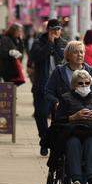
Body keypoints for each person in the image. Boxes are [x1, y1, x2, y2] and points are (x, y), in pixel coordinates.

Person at [45, 41, 92, 184]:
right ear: (68, 55)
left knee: (91, 142)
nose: (80, 55)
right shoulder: (59, 72)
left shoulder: (90, 70)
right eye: (76, 52)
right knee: (72, 143)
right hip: (68, 117)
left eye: (82, 52)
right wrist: (59, 104)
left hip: (90, 123)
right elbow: (48, 92)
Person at [27, 18, 68, 156]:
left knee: (58, 117)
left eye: (58, 29)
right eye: (53, 29)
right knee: (41, 114)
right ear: (48, 30)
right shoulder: (38, 43)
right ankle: (44, 140)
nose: (56, 32)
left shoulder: (64, 44)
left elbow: (63, 60)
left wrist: (56, 44)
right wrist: (49, 43)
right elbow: (37, 58)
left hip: (59, 88)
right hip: (42, 86)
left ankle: (54, 142)